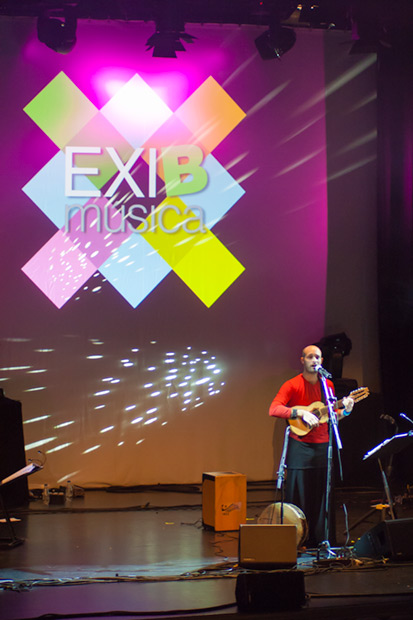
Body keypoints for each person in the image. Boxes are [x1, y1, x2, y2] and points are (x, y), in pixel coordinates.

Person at [269, 344, 354, 548]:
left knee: (322, 496)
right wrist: (300, 413)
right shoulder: (292, 385)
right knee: (300, 495)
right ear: (302, 360)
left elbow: (333, 416)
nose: (314, 360)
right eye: (310, 357)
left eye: (317, 357)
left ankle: (321, 540)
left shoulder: (328, 386)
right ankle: (298, 540)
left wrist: (347, 410)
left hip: (324, 447)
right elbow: (274, 409)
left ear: (322, 361)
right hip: (300, 448)